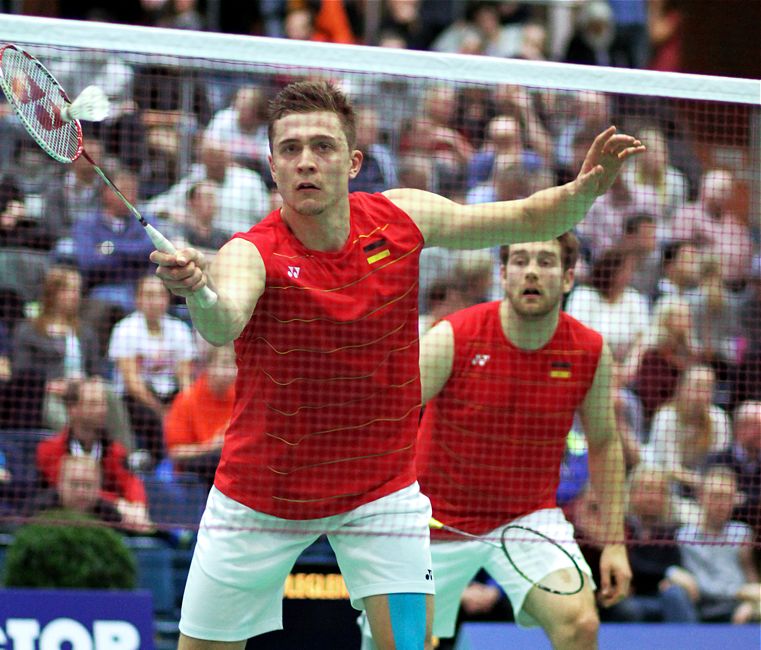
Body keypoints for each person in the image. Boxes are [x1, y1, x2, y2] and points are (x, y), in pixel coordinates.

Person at [151, 80, 644, 649]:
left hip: (378, 493)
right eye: (290, 149)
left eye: (323, 146)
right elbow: (222, 320)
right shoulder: (251, 252)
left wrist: (585, 192)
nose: (306, 161)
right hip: (264, 493)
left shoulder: (402, 217)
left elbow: (530, 216)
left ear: (354, 161)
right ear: (271, 165)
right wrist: (199, 293)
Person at [400, 233, 630, 650]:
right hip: (434, 520)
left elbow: (605, 443)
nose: (532, 271)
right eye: (520, 261)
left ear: (568, 277)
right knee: (399, 640)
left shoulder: (588, 351)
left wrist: (615, 543)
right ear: (503, 275)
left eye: (545, 261)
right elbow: (390, 414)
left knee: (580, 624)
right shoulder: (453, 336)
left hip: (527, 520)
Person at [35, 377, 152, 533]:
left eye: (103, 404)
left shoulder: (115, 450)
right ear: (72, 409)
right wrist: (117, 504)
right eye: (93, 404)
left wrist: (138, 506)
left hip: (110, 526)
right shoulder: (49, 450)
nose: (101, 410)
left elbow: (130, 481)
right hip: (61, 525)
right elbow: (71, 491)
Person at [108, 275, 195, 466]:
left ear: (166, 299)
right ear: (137, 299)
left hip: (170, 394)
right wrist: (160, 411)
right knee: (148, 417)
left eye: (159, 295)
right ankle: (155, 464)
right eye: (148, 295)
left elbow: (185, 378)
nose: (154, 301)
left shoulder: (179, 329)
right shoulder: (125, 329)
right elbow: (131, 383)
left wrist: (185, 405)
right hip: (136, 398)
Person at [669, 466, 760, 623]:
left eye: (727, 497)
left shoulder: (742, 533)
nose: (721, 504)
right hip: (698, 605)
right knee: (672, 594)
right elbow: (668, 570)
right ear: (701, 496)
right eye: (716, 496)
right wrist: (672, 572)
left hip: (735, 607)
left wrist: (752, 603)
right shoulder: (682, 535)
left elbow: (750, 574)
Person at [163, 344, 236, 488]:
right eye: (224, 364)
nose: (231, 371)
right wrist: (211, 445)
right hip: (196, 467)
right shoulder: (187, 399)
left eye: (235, 364)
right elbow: (175, 452)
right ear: (208, 367)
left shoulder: (242, 399)